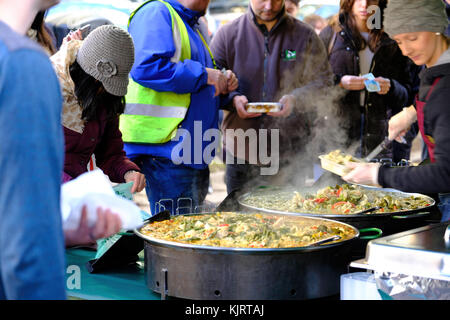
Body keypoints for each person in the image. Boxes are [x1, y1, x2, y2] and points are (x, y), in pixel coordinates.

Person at [120, 0, 237, 215]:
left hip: (187, 150)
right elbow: (146, 68)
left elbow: (197, 87)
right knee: (177, 232)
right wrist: (206, 74)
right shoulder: (157, 12)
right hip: (167, 150)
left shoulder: (190, 23)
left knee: (187, 228)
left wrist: (225, 89)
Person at [210, 0, 334, 194]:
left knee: (290, 220)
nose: (268, 6)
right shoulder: (227, 35)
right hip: (242, 151)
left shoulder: (305, 35)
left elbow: (324, 83)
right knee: (239, 220)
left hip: (291, 152)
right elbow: (211, 85)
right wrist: (233, 99)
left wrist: (296, 99)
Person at [343, 0, 450, 222]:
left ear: (437, 27)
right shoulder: (434, 66)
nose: (406, 49)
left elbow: (445, 173)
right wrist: (411, 113)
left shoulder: (444, 88)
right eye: (399, 41)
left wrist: (378, 174)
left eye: (413, 38)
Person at [50, 25, 146, 194]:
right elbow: (29, 158)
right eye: (102, 84)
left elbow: (111, 151)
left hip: (80, 197)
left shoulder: (104, 96)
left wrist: (128, 171)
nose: (107, 91)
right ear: (86, 74)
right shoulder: (47, 87)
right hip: (40, 197)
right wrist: (72, 188)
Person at [319, 0, 418, 162]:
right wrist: (339, 82)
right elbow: (313, 81)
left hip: (385, 138)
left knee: (377, 186)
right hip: (338, 134)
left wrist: (391, 87)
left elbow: (410, 93)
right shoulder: (330, 34)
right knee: (336, 187)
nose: (365, 4)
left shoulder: (397, 36)